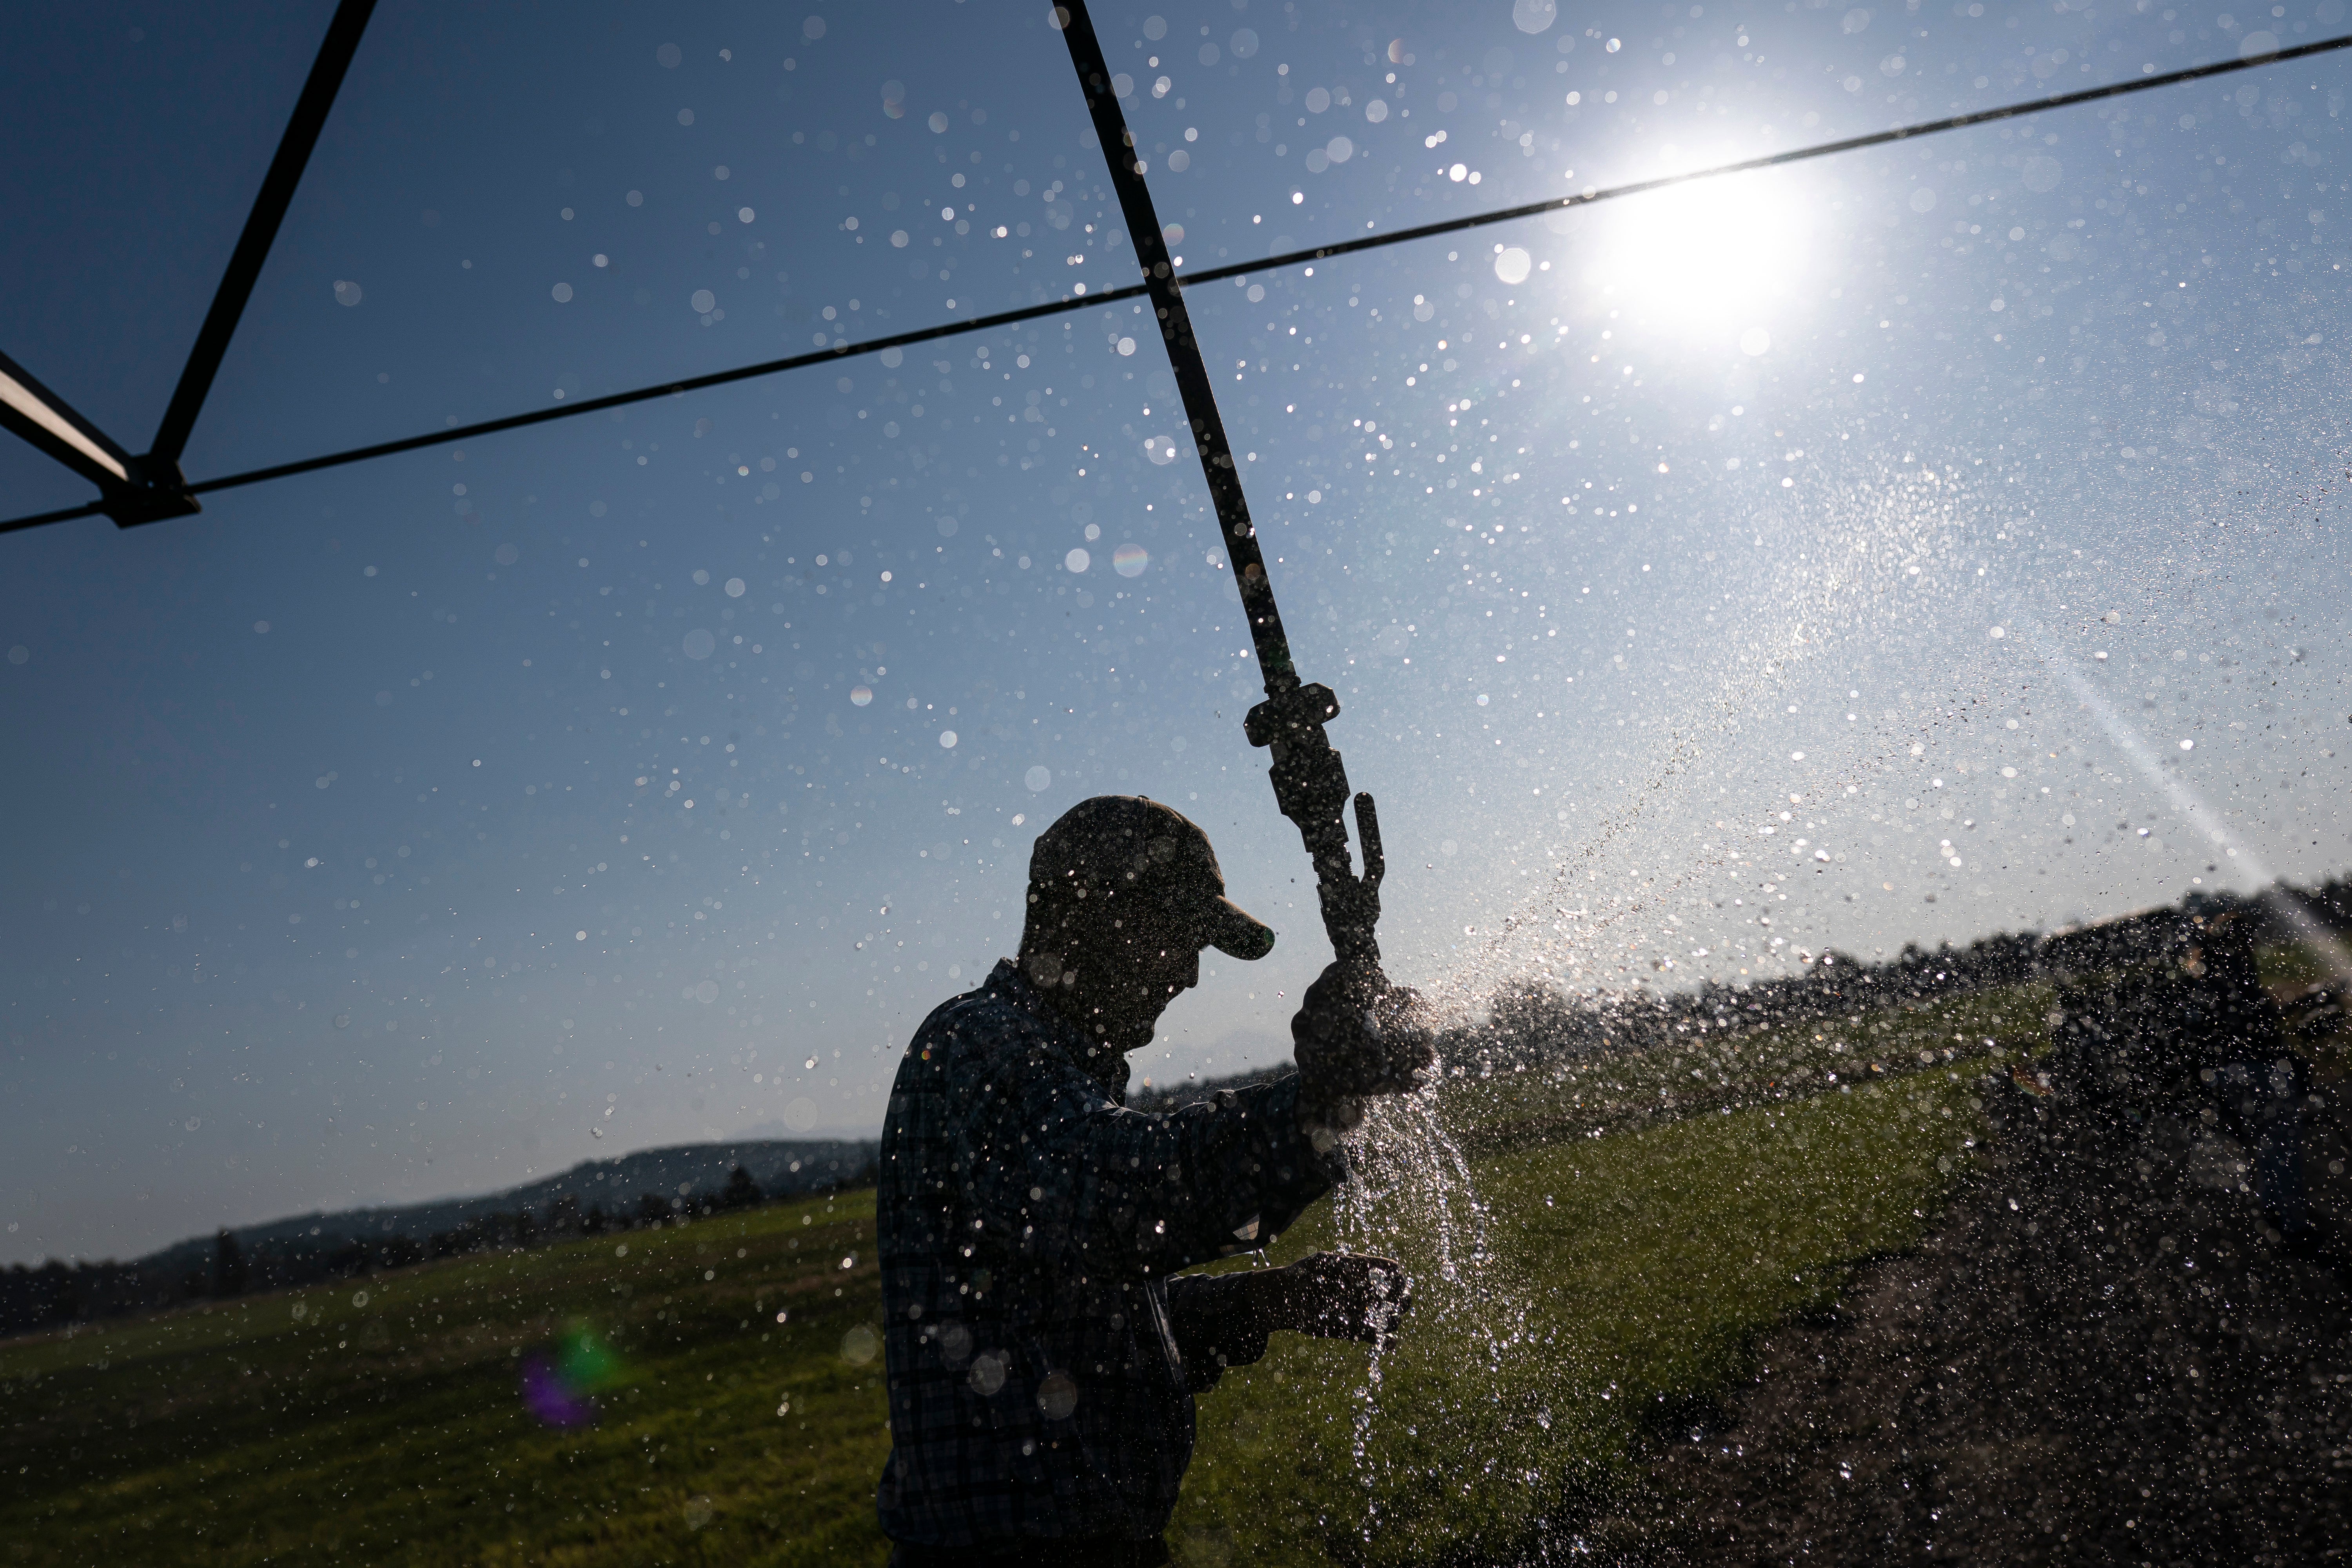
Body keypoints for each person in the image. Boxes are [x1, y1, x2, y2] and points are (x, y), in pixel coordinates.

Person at [873, 795, 1432, 1566]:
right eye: (1178, 936)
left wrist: (1272, 1296)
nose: (1192, 972)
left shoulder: (1049, 1064)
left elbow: (1081, 1309)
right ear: (1090, 918)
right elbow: (1120, 1202)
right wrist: (1318, 1104)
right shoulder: (981, 1044)